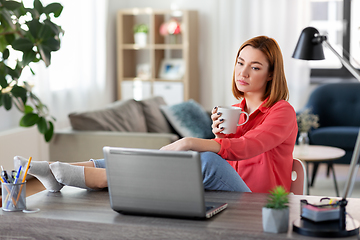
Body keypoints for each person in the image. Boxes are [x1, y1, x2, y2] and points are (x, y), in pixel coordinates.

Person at [14, 35, 298, 193]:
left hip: (260, 202)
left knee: (205, 160)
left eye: (255, 67)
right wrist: (219, 133)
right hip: (228, 194)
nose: (243, 73)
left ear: (272, 74)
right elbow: (231, 155)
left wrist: (189, 142)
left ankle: (101, 179)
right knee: (167, 159)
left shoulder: (282, 111)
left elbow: (248, 147)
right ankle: (56, 169)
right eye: (240, 63)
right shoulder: (237, 110)